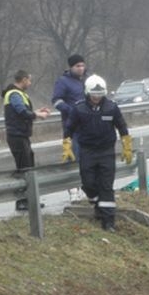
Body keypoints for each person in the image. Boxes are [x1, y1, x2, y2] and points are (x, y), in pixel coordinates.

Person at [66, 74, 132, 232]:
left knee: (106, 186)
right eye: (94, 94)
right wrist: (66, 145)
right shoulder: (79, 108)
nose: (97, 97)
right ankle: (97, 204)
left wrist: (127, 145)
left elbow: (122, 127)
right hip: (87, 151)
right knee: (88, 184)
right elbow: (69, 128)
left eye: (100, 94)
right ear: (88, 93)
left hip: (106, 151)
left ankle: (108, 221)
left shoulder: (111, 107)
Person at [2, 70, 50, 210]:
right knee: (24, 168)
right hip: (17, 135)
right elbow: (21, 111)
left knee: (28, 165)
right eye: (29, 80)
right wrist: (38, 115)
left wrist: (36, 111)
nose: (30, 83)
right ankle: (22, 201)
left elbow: (23, 110)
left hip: (21, 135)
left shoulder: (18, 94)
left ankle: (28, 200)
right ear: (23, 80)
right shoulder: (15, 94)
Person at [52, 54, 87, 201]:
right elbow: (56, 101)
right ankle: (73, 190)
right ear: (71, 67)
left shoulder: (87, 80)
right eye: (77, 66)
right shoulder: (63, 81)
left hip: (88, 125)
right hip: (72, 127)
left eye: (82, 65)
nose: (81, 68)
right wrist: (71, 110)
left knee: (88, 158)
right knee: (73, 157)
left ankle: (87, 188)